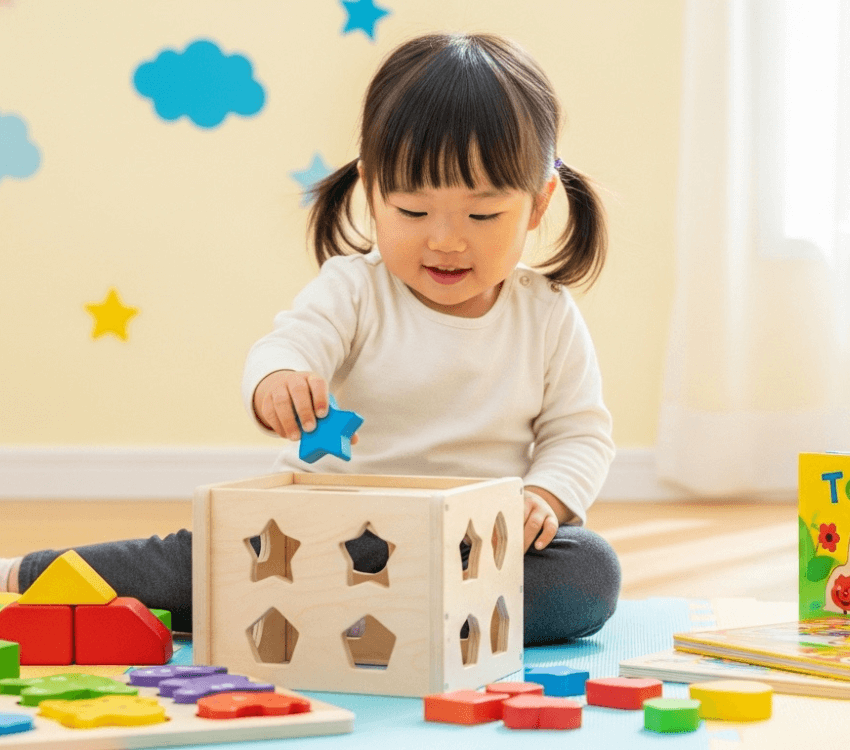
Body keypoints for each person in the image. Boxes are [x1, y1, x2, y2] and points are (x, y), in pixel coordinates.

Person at [0, 32, 620, 646]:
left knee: (589, 570)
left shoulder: (547, 314)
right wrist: (278, 382)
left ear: (538, 205)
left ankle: (335, 615)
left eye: (483, 216)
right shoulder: (353, 289)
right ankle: (27, 574)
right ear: (372, 190)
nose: (446, 240)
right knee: (193, 557)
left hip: (468, 547)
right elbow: (288, 346)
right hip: (324, 532)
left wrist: (544, 496)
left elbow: (579, 432)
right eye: (412, 212)